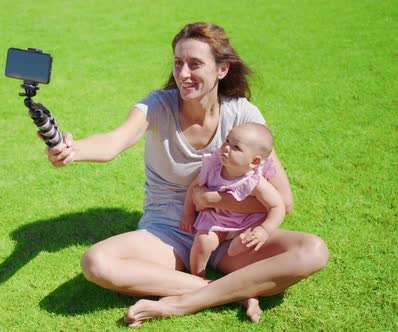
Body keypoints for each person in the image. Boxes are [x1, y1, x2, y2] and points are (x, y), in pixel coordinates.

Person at [44, 22, 328, 326]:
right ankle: (229, 290)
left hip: (231, 235)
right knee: (97, 263)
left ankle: (181, 303)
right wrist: (73, 150)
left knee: (312, 250)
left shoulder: (243, 115)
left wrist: (209, 199)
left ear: (221, 70)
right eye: (178, 63)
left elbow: (283, 201)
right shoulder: (158, 105)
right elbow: (115, 141)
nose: (183, 73)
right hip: (169, 231)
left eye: (195, 64)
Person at [179, 123, 286, 279]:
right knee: (202, 242)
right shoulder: (213, 168)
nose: (226, 147)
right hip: (217, 218)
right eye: (227, 141)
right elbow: (193, 188)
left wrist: (264, 230)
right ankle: (198, 276)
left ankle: (237, 256)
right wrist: (188, 214)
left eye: (236, 147)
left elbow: (277, 206)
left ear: (254, 162)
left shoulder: (256, 181)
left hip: (247, 222)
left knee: (246, 242)